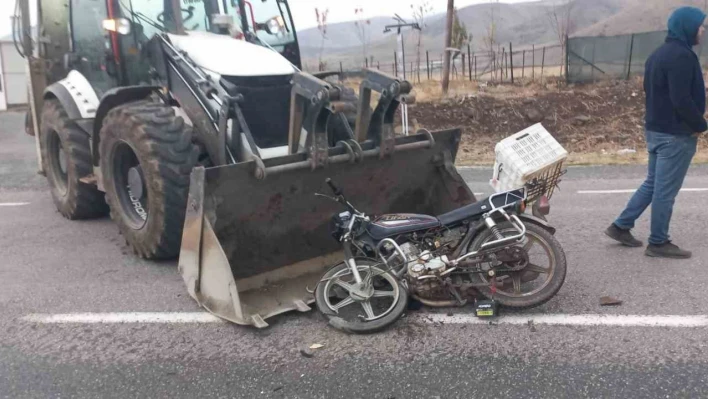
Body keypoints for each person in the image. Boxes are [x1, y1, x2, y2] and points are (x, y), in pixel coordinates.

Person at [605, 6, 707, 259]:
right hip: (675, 136)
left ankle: (620, 226)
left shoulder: (658, 55)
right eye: (700, 26)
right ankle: (658, 242)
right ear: (687, 26)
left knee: (653, 184)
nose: (702, 30)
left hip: (655, 130)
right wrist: (700, 125)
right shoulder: (682, 56)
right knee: (665, 191)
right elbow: (680, 99)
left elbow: (654, 92)